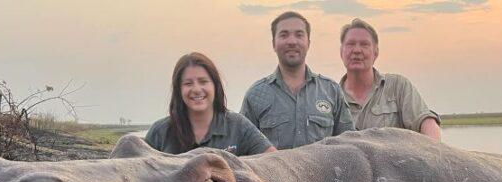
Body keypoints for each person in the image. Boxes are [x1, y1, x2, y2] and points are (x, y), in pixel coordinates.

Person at [241, 11, 354, 149]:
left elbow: (350, 146)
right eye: (284, 35)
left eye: (299, 35)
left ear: (308, 43)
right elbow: (242, 152)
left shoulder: (331, 91)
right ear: (273, 44)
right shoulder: (256, 96)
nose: (292, 41)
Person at [145, 52, 276, 156]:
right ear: (179, 89)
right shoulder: (159, 132)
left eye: (203, 81)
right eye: (188, 83)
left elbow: (273, 161)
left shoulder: (238, 126)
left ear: (215, 85)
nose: (196, 89)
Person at [339, 18, 442, 142]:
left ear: (375, 52)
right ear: (341, 52)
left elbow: (427, 123)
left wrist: (434, 153)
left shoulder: (397, 87)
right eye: (350, 44)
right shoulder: (332, 97)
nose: (356, 50)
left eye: (364, 44)